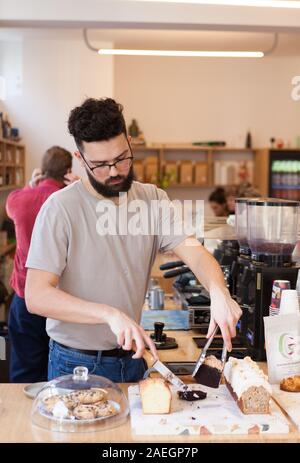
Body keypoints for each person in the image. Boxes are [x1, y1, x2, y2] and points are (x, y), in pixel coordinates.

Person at [25, 98, 242, 382]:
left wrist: (219, 292)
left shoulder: (153, 200)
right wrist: (108, 314)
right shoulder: (60, 209)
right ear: (80, 160)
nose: (114, 171)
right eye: (100, 165)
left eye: (121, 159)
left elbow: (196, 253)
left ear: (130, 142)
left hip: (134, 358)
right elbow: (36, 295)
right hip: (76, 364)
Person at [6, 146, 77, 382]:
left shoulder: (18, 200)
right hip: (60, 303)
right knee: (59, 373)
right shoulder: (71, 202)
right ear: (67, 171)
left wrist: (29, 186)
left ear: (42, 170)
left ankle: (21, 419)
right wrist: (79, 187)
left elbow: (13, 205)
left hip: (25, 300)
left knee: (24, 372)